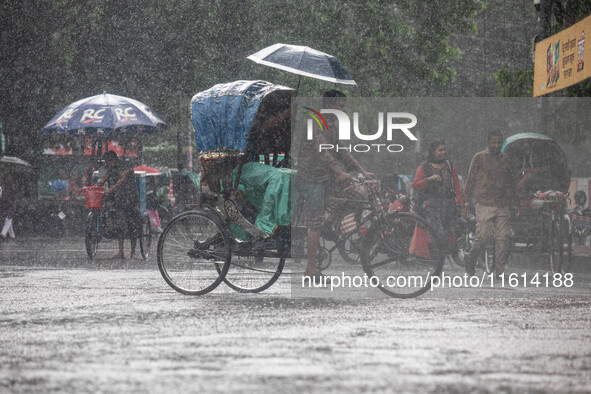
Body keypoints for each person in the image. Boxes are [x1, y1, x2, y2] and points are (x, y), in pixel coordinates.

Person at [296, 90, 376, 280]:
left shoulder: (332, 124)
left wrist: (362, 171)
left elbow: (341, 151)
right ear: (329, 106)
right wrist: (339, 172)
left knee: (357, 195)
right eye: (341, 106)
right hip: (311, 179)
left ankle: (329, 223)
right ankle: (310, 269)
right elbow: (322, 150)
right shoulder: (314, 122)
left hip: (327, 178)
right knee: (316, 223)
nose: (344, 109)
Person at [462, 130, 515, 277]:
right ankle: (470, 258)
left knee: (502, 238)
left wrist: (514, 201)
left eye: (499, 142)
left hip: (502, 203)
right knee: (482, 237)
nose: (497, 145)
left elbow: (511, 182)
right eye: (494, 142)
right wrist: (466, 202)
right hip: (484, 202)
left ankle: (499, 271)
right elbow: (470, 180)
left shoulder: (506, 159)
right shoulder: (479, 158)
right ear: (489, 143)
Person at [411, 140, 464, 260]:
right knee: (437, 233)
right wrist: (430, 179)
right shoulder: (424, 167)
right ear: (432, 152)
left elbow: (456, 185)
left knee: (446, 234)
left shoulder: (450, 166)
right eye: (440, 150)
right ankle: (436, 262)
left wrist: (460, 203)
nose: (443, 152)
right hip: (431, 205)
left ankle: (439, 263)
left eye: (444, 149)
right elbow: (416, 184)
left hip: (448, 205)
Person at [96, 151, 141, 259]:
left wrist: (110, 190)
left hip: (131, 198)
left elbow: (121, 179)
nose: (108, 164)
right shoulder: (111, 169)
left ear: (114, 160)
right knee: (120, 226)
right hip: (120, 199)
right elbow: (105, 178)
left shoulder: (126, 166)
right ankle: (121, 251)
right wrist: (96, 186)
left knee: (132, 226)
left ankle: (133, 252)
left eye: (108, 161)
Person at [0, 171, 17, 240]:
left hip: (10, 204)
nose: (9, 178)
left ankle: (3, 234)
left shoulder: (10, 185)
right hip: (7, 204)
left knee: (8, 219)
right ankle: (12, 236)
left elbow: (12, 195)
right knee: (9, 219)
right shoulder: (5, 185)